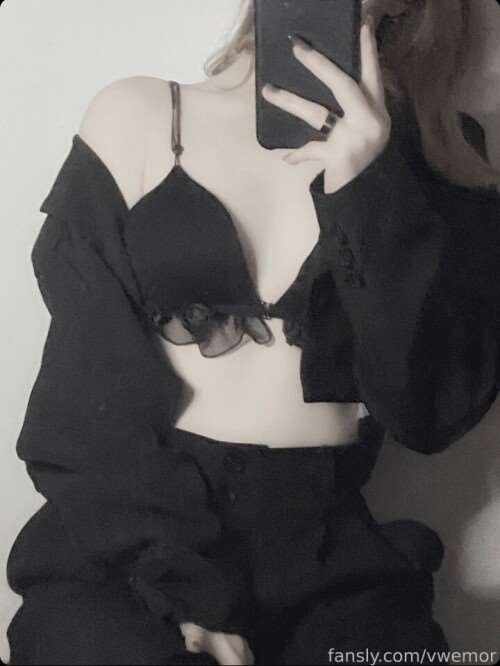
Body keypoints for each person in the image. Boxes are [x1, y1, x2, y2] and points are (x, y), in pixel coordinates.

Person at [6, 0, 500, 664]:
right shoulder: (140, 114)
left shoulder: (444, 150)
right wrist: (178, 591)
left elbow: (430, 412)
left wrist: (371, 186)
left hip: (328, 556)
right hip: (132, 537)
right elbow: (80, 403)